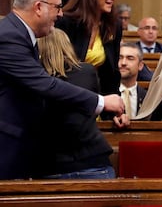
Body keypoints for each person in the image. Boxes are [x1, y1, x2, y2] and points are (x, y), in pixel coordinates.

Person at [0, 0, 124, 180]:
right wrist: (101, 101)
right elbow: (44, 84)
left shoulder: (18, 33)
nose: (60, 14)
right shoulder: (10, 36)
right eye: (57, 7)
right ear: (38, 7)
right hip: (9, 146)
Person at [36, 29, 119, 179]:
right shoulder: (87, 72)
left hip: (51, 166)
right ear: (67, 46)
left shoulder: (35, 80)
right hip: (93, 160)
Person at [56, 0, 123, 121]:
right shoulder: (65, 23)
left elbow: (112, 75)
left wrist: (117, 113)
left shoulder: (113, 26)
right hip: (66, 103)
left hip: (98, 106)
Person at [119, 42, 147, 119]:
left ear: (140, 65)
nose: (123, 63)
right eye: (120, 58)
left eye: (130, 58)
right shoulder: (105, 94)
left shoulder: (147, 98)